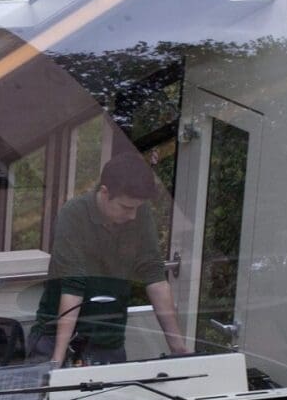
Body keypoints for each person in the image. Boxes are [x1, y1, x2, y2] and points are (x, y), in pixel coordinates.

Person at [37, 150, 190, 367]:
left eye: (137, 208)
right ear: (104, 192)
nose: (133, 216)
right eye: (126, 207)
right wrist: (57, 360)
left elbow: (154, 275)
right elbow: (73, 285)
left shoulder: (139, 212)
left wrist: (179, 349)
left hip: (109, 337)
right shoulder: (73, 214)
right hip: (56, 335)